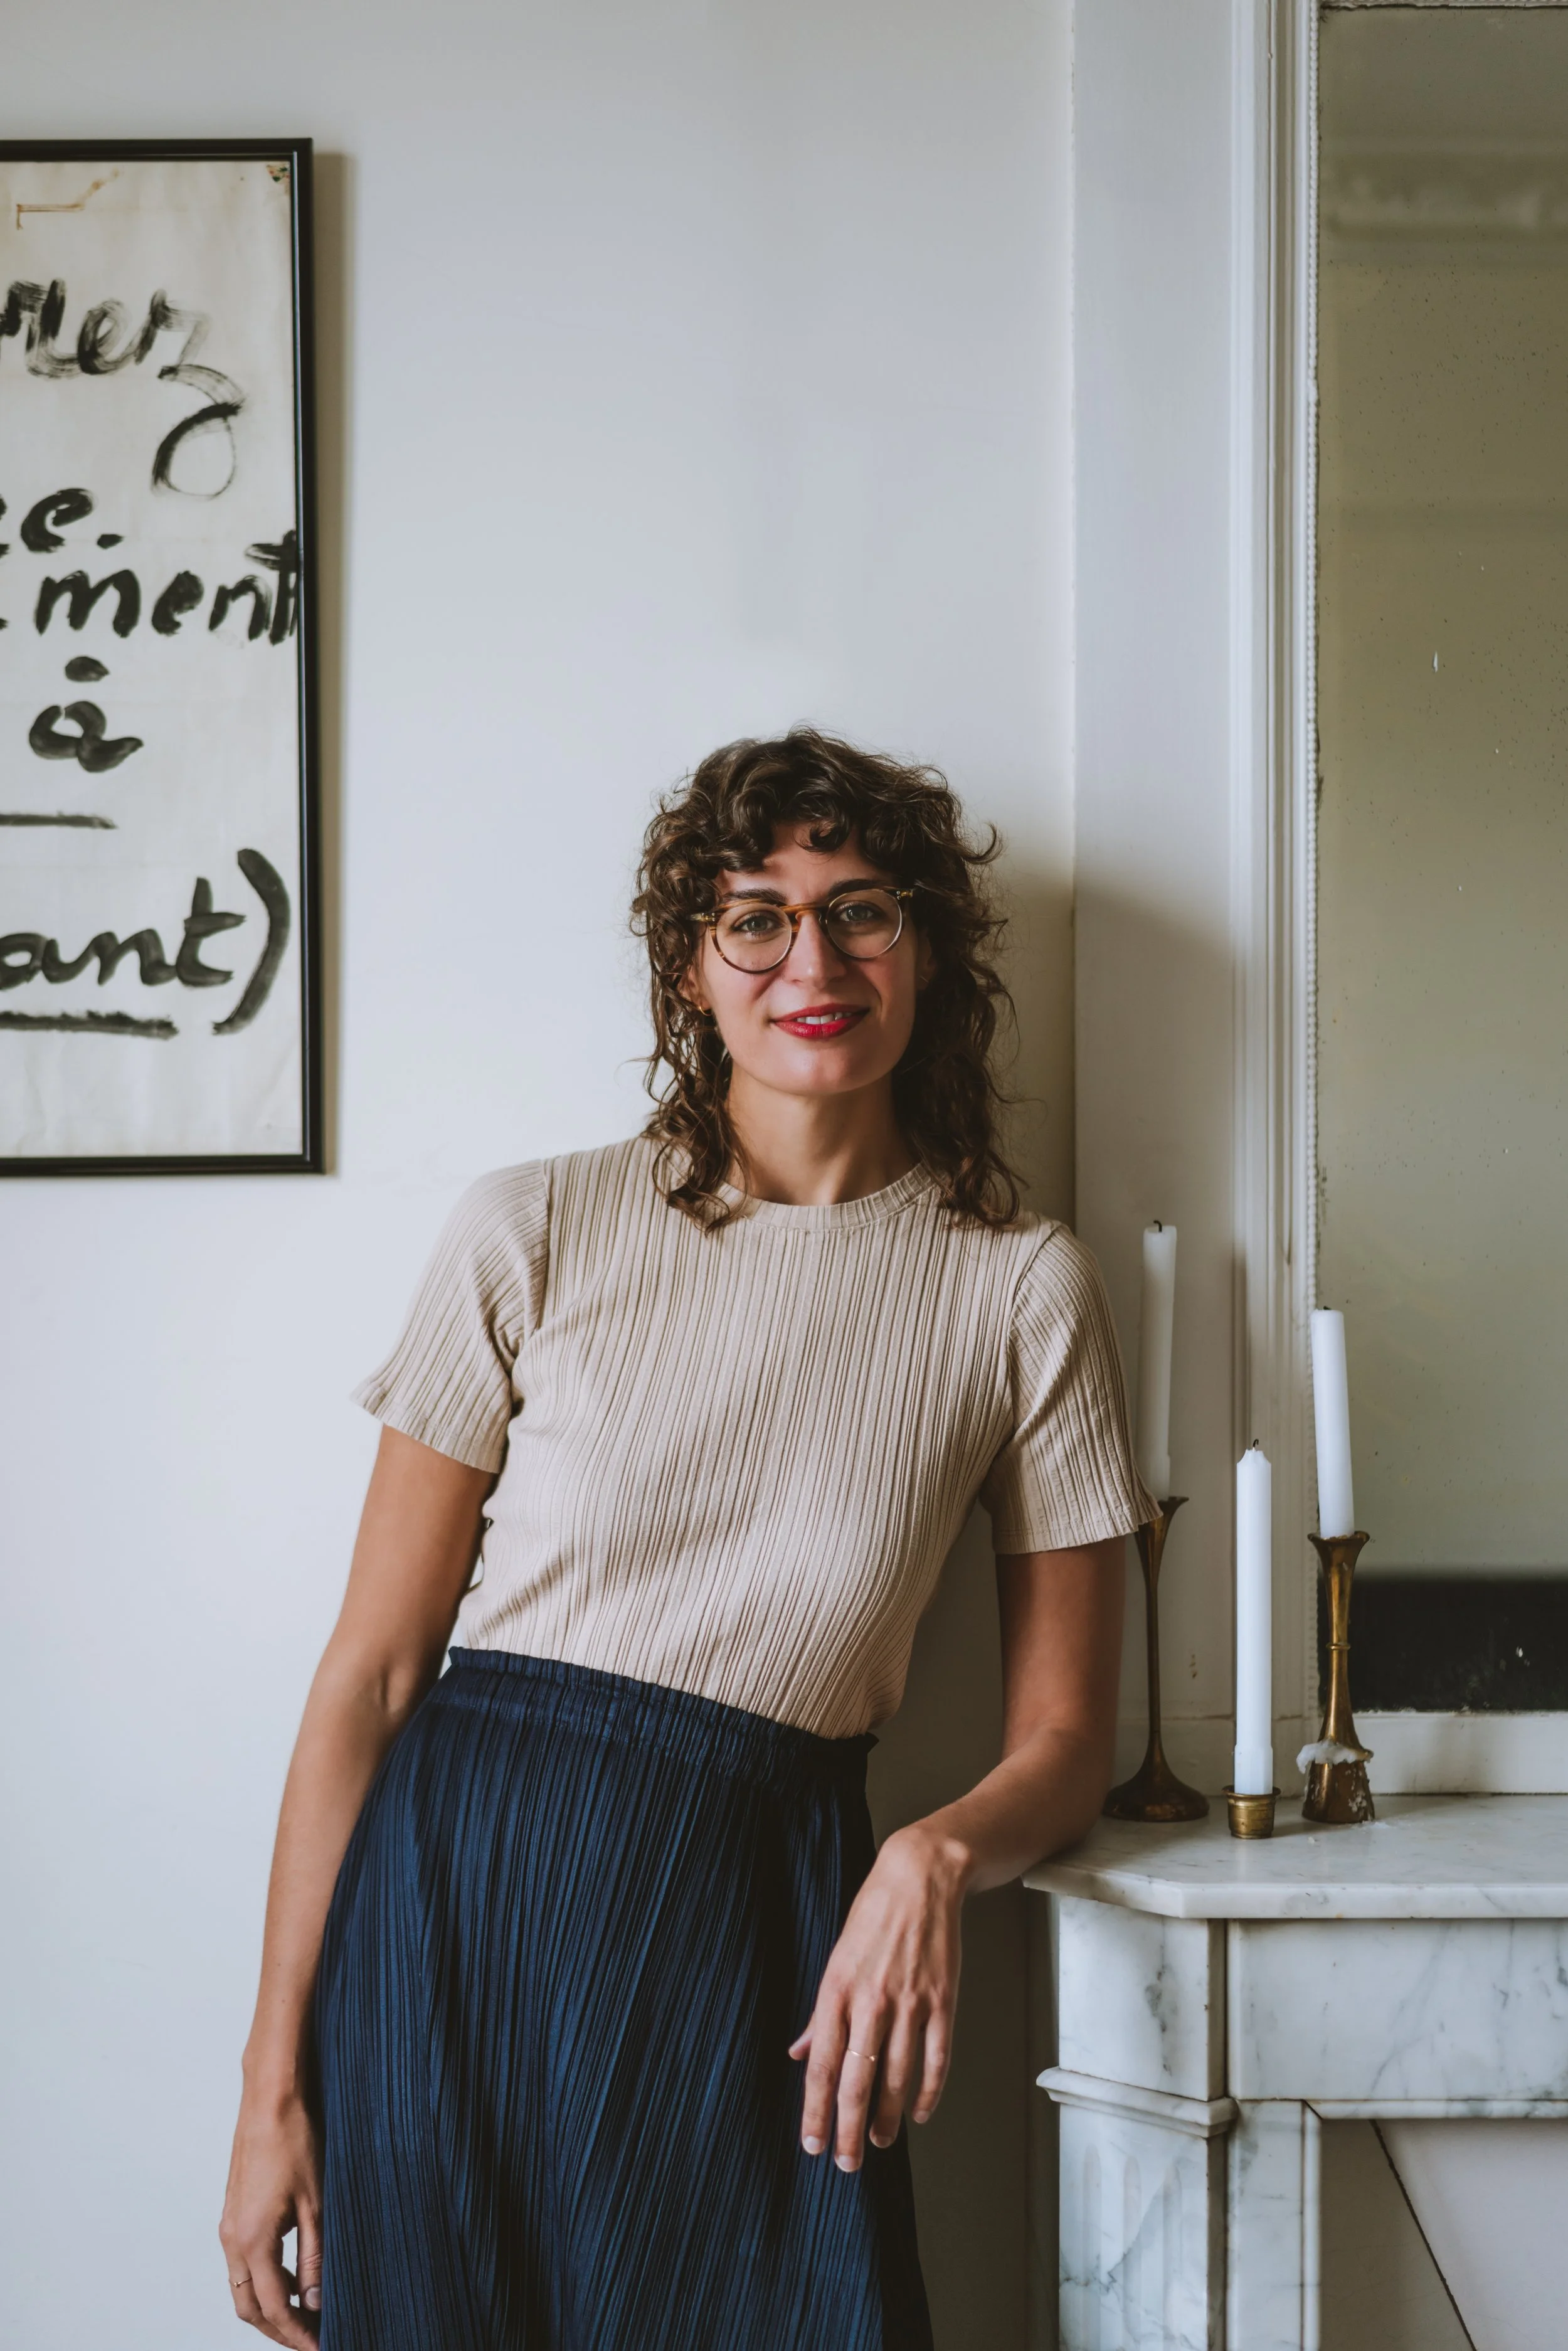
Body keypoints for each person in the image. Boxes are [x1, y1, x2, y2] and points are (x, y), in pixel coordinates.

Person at [220, 728, 1152, 2351]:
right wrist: (268, 2088)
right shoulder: (530, 1226)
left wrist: (930, 1851)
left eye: (864, 910)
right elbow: (369, 1675)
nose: (816, 958)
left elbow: (1071, 1739)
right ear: (686, 967)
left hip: (756, 1941)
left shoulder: (1015, 1286)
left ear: (926, 948)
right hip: (455, 1924)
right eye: (756, 917)